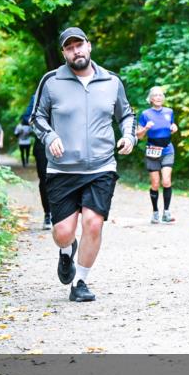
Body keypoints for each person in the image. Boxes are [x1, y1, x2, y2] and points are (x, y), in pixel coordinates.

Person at [31, 27, 137, 303]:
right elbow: (36, 118)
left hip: (101, 166)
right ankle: (67, 252)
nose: (76, 50)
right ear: (64, 52)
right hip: (62, 169)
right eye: (69, 47)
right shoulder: (51, 81)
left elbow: (126, 114)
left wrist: (128, 136)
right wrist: (50, 135)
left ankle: (81, 282)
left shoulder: (111, 81)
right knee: (63, 232)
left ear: (89, 47)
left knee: (93, 223)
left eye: (80, 45)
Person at [136, 86, 178, 224]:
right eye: (156, 95)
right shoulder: (145, 114)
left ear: (163, 98)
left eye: (161, 95)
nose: (158, 97)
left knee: (166, 181)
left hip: (167, 149)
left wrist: (174, 128)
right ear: (151, 98)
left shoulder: (169, 112)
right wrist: (146, 128)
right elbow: (139, 135)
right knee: (155, 183)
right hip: (152, 151)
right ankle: (155, 212)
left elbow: (171, 127)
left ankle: (166, 213)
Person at [22, 93, 52, 229]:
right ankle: (48, 214)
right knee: (45, 179)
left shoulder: (71, 92)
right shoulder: (37, 96)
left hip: (67, 143)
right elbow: (26, 118)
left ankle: (64, 214)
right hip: (43, 143)